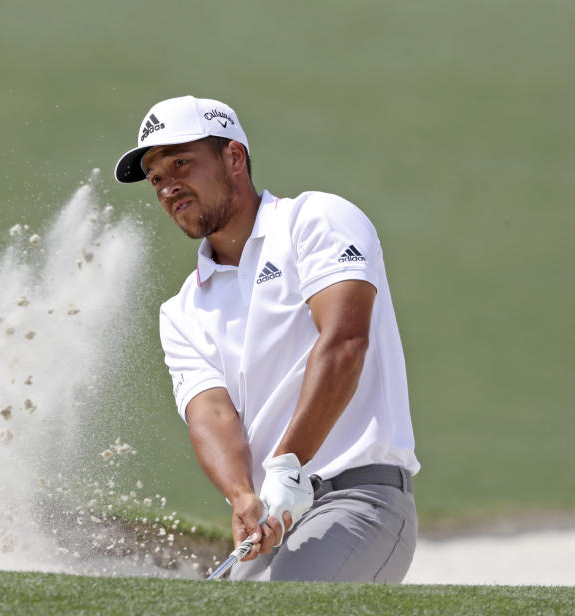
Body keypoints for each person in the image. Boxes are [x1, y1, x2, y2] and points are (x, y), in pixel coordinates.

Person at [114, 96, 419, 582]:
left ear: (234, 158)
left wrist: (287, 464)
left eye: (182, 164)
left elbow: (344, 341)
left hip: (357, 500)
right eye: (156, 179)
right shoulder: (181, 310)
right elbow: (211, 414)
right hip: (273, 521)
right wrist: (242, 495)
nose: (168, 186)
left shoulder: (315, 220)